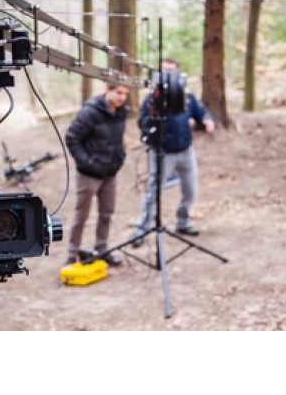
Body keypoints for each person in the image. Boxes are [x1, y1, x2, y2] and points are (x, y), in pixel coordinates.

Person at [132, 58, 215, 246]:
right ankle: (141, 230)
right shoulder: (152, 98)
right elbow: (143, 122)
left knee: (190, 189)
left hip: (185, 150)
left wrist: (207, 120)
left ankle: (183, 222)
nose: (168, 75)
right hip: (163, 152)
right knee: (153, 191)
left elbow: (200, 112)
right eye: (164, 71)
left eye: (171, 71)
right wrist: (153, 124)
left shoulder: (186, 96)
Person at [64, 81, 131, 267]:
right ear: (108, 89)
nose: (122, 97)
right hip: (89, 174)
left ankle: (102, 250)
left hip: (110, 173)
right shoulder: (90, 111)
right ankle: (71, 255)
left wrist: (119, 158)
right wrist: (88, 162)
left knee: (106, 214)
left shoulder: (121, 112)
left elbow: (118, 140)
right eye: (119, 92)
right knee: (81, 216)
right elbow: (72, 137)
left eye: (125, 94)